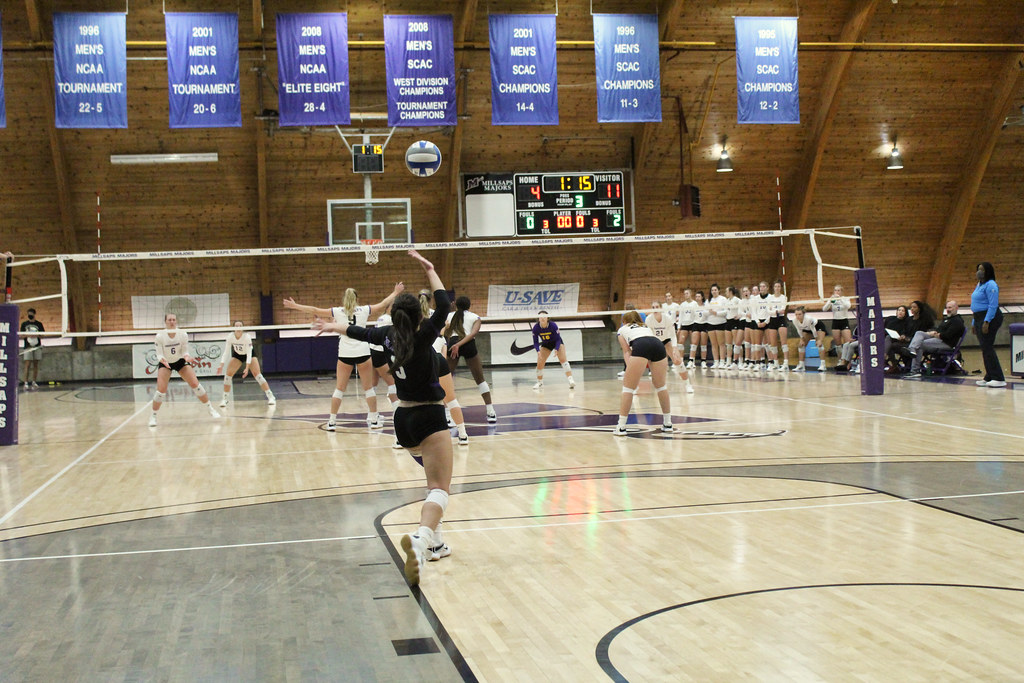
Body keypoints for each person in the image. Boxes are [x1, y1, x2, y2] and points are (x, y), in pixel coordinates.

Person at [311, 250, 453, 586]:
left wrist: (334, 326)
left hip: (402, 421)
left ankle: (436, 542)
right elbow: (445, 305)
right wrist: (430, 269)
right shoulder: (424, 335)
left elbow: (357, 332)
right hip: (429, 417)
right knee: (440, 489)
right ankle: (420, 539)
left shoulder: (387, 336)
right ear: (420, 314)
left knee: (432, 481)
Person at [283, 282, 403, 430]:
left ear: (344, 299)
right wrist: (395, 292)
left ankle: (332, 421)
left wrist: (295, 306)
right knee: (368, 388)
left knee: (339, 389)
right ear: (357, 299)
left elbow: (315, 310)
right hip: (363, 351)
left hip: (345, 352)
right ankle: (373, 419)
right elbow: (383, 304)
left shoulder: (337, 311)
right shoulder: (364, 310)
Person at [149, 313, 221, 427]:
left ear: (176, 321)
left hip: (180, 361)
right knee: (160, 391)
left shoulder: (182, 334)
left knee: (196, 384)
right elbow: (159, 354)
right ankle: (153, 416)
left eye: (174, 320)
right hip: (165, 362)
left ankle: (210, 408)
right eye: (169, 320)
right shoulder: (160, 336)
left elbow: (185, 351)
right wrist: (163, 360)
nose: (172, 322)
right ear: (165, 322)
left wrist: (187, 357)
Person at [615, 311, 674, 435]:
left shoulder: (622, 329)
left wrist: (629, 369)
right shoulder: (645, 327)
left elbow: (627, 351)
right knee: (661, 386)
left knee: (628, 388)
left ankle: (621, 426)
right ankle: (668, 423)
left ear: (624, 321)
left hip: (641, 345)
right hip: (658, 345)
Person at [445, 297, 498, 423]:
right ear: (470, 305)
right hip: (468, 344)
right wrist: (460, 344)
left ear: (456, 305)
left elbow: (445, 332)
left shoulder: (449, 315)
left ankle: (448, 415)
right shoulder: (475, 317)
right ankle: (490, 411)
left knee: (446, 380)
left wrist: (456, 344)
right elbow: (473, 333)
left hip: (453, 344)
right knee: (480, 379)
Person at [216, 321, 276, 407]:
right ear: (233, 328)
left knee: (257, 375)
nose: (238, 327)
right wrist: (221, 365)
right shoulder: (230, 337)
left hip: (249, 354)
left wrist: (247, 368)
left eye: (240, 326)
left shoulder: (246, 337)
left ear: (243, 328)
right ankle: (225, 399)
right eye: (236, 326)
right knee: (228, 375)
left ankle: (271, 396)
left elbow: (249, 353)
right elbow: (226, 352)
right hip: (237, 354)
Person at [905, 300, 965, 377]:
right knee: (919, 333)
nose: (948, 309)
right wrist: (932, 332)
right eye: (947, 308)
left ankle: (914, 370)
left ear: (956, 308)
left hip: (946, 343)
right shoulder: (947, 319)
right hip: (937, 338)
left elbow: (948, 335)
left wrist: (938, 335)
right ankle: (912, 349)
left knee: (920, 345)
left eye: (950, 307)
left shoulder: (957, 321)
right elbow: (939, 329)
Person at [645, 302, 694, 393]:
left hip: (667, 340)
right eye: (653, 307)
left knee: (677, 360)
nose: (655, 309)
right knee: (653, 365)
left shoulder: (667, 318)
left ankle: (688, 385)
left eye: (657, 307)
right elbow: (648, 335)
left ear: (661, 308)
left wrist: (674, 348)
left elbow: (672, 335)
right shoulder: (648, 319)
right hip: (655, 342)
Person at [971, 262, 1005, 388]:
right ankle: (989, 376)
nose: (979, 272)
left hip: (990, 317)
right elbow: (976, 304)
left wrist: (987, 322)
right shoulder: (979, 284)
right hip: (979, 317)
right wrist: (974, 322)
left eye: (982, 270)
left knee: (987, 347)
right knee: (984, 348)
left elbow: (993, 305)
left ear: (988, 271)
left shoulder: (991, 285)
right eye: (978, 269)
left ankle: (998, 378)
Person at [530, 310, 576, 390]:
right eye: (541, 317)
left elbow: (558, 339)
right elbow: (535, 342)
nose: (542, 318)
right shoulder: (536, 328)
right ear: (538, 318)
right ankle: (540, 382)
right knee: (540, 362)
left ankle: (571, 380)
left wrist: (556, 349)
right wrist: (538, 351)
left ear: (548, 318)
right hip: (546, 344)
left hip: (556, 342)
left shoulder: (553, 325)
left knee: (563, 360)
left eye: (544, 316)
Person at [791, 306, 828, 372]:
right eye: (796, 314)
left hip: (817, 326)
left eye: (799, 314)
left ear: (803, 314)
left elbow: (813, 330)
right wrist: (802, 339)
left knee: (819, 344)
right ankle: (801, 366)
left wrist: (817, 339)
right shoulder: (794, 320)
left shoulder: (808, 319)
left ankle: (823, 365)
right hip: (807, 329)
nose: (797, 316)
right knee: (801, 345)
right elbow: (799, 330)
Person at [823, 284, 855, 356]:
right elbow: (824, 309)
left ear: (841, 291)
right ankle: (840, 359)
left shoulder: (845, 299)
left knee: (848, 342)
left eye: (838, 290)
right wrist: (830, 301)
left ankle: (848, 359)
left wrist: (840, 299)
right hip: (835, 321)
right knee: (838, 344)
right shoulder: (832, 299)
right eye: (835, 290)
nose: (837, 292)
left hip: (844, 321)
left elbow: (848, 306)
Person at [766, 280, 790, 370]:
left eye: (779, 286)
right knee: (773, 343)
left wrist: (774, 311)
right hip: (772, 320)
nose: (777, 288)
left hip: (781, 319)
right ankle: (775, 363)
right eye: (775, 286)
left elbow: (783, 310)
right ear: (773, 288)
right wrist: (776, 311)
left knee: (784, 342)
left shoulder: (784, 297)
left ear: (781, 288)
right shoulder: (770, 298)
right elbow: (768, 311)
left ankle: (786, 363)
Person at [20, 308, 44, 390]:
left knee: (35, 364)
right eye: (28, 314)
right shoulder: (24, 324)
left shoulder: (39, 324)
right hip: (28, 346)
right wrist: (28, 335)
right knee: (27, 364)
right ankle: (26, 382)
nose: (29, 315)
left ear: (34, 314)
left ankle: (34, 382)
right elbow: (21, 335)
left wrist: (36, 335)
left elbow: (43, 335)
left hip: (37, 346)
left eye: (31, 314)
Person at [883, 305, 912, 373]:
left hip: (899, 340)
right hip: (888, 339)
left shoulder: (906, 322)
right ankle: (894, 365)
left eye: (903, 311)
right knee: (888, 341)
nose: (900, 312)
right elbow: (884, 329)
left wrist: (903, 336)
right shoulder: (890, 319)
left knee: (889, 342)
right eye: (899, 310)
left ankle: (884, 357)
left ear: (905, 313)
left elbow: (905, 333)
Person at [705, 284, 728, 368]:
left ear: (718, 290)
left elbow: (726, 311)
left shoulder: (723, 299)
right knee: (713, 344)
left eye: (715, 290)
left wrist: (716, 313)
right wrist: (710, 312)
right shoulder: (708, 301)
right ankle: (716, 362)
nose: (714, 291)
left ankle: (722, 361)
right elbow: (705, 312)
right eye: (712, 290)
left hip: (720, 323)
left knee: (721, 343)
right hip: (710, 323)